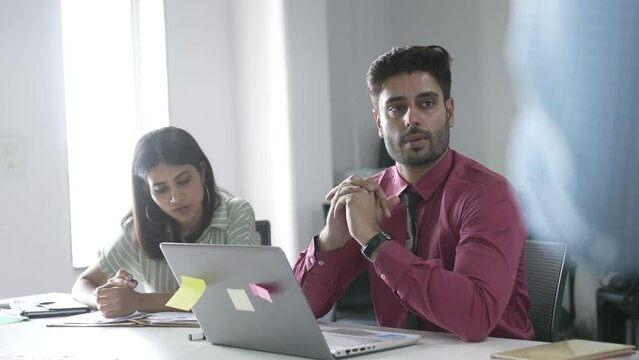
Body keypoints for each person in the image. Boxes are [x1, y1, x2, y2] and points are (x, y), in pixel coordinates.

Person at [294, 46, 534, 342]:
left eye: (427, 103)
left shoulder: (489, 195)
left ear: (449, 111)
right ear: (379, 123)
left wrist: (374, 241)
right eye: (396, 108)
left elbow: (475, 317)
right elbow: (299, 312)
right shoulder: (370, 198)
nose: (412, 119)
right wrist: (331, 239)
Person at [72, 126, 257, 317]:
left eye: (183, 180)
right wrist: (107, 300)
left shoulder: (236, 211)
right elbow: (82, 284)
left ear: (201, 172)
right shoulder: (139, 231)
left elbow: (241, 293)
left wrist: (139, 301)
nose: (176, 197)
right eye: (161, 189)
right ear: (147, 190)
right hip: (164, 344)